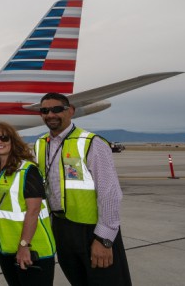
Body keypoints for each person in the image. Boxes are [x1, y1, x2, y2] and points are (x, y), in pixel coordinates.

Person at [35, 92, 132, 285]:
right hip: (62, 228)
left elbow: (110, 192)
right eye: (45, 110)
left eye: (57, 109)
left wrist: (104, 238)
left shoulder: (91, 142)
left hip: (92, 230)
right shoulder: (40, 144)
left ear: (70, 111)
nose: (50, 114)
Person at [0, 122, 56, 286]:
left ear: (13, 140)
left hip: (32, 249)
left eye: (4, 137)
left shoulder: (27, 170)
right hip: (6, 249)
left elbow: (34, 210)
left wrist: (24, 246)